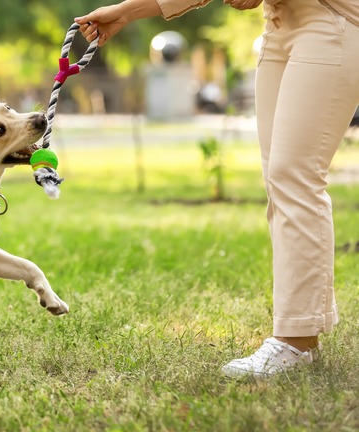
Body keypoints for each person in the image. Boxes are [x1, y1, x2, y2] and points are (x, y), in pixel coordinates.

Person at [75, 0, 359, 378]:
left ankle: (296, 340)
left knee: (295, 175)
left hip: (333, 19)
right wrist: (127, 12)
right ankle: (301, 335)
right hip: (279, 25)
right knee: (280, 180)